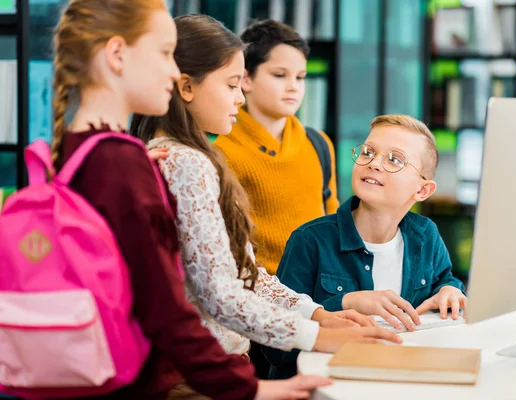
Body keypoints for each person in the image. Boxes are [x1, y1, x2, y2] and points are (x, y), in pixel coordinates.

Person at [50, 1, 331, 398]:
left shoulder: (97, 152)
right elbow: (175, 307)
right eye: (164, 53)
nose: (171, 69)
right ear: (116, 55)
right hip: (179, 379)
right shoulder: (138, 161)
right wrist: (255, 384)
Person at [131, 15, 399, 389]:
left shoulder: (171, 154)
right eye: (231, 85)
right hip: (201, 374)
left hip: (209, 365)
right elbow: (221, 292)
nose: (240, 97)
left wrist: (317, 314)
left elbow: (246, 273)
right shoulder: (187, 161)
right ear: (187, 87)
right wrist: (315, 334)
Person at [270, 114, 467, 378]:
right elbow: (273, 348)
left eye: (394, 159)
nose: (374, 163)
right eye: (368, 152)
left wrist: (450, 291)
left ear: (422, 191)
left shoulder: (426, 235)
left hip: (402, 380)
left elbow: (446, 281)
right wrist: (344, 302)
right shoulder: (309, 241)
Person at [213, 20, 339, 276]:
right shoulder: (222, 152)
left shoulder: (318, 144)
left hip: (324, 296)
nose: (293, 86)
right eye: (280, 75)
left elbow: (334, 226)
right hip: (262, 298)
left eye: (301, 77)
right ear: (245, 79)